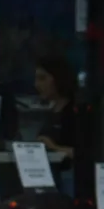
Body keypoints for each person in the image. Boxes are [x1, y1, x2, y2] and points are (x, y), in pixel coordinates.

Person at [33, 54, 77, 197]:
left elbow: (85, 152)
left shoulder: (74, 112)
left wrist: (54, 148)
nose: (37, 85)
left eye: (42, 78)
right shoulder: (52, 111)